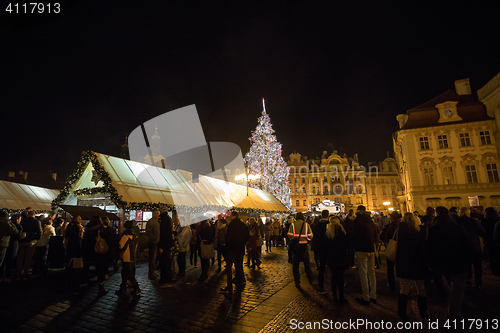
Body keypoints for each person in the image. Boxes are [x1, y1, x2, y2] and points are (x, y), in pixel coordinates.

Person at [426, 207, 474, 319]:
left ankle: (463, 310)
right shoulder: (458, 228)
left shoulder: (433, 230)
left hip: (443, 264)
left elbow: (430, 248)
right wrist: (468, 260)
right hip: (459, 263)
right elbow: (469, 245)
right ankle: (452, 314)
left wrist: (432, 264)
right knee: (457, 289)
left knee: (453, 289)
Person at [396, 213, 429, 321]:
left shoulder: (398, 232)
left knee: (404, 289)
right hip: (418, 263)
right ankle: (423, 311)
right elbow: (423, 251)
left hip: (404, 263)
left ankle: (401, 312)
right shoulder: (417, 233)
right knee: (421, 289)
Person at [352, 205, 378, 305]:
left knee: (363, 272)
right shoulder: (371, 221)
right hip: (371, 248)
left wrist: (354, 247)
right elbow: (376, 234)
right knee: (372, 272)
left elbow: (354, 235)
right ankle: (373, 295)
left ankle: (366, 296)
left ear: (358, 211)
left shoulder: (357, 221)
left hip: (361, 248)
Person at [221, 211, 250, 295]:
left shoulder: (231, 225)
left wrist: (228, 246)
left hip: (232, 249)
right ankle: (239, 284)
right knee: (239, 267)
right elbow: (247, 237)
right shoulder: (243, 225)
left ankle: (230, 287)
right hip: (240, 249)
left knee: (229, 269)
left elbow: (228, 237)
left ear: (233, 216)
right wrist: (242, 242)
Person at [457, 207, 486, 289]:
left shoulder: (456, 222)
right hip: (474, 246)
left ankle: (467, 280)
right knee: (477, 266)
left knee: (466, 265)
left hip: (462, 246)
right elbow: (482, 232)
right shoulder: (473, 221)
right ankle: (478, 283)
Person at [82, 216, 110, 296]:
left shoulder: (87, 228)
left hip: (87, 250)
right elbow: (106, 238)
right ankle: (101, 288)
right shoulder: (101, 229)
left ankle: (83, 286)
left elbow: (84, 239)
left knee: (85, 268)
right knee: (99, 268)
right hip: (97, 251)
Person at [287, 212, 314, 288]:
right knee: (307, 264)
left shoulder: (292, 225)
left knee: (295, 266)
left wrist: (294, 239)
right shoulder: (306, 225)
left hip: (296, 247)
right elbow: (310, 235)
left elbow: (289, 235)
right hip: (304, 246)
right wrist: (307, 240)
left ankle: (297, 282)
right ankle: (310, 279)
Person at [326, 216, 349, 302]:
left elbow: (326, 246)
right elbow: (346, 244)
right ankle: (341, 295)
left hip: (332, 257)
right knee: (341, 276)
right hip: (341, 257)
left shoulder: (329, 232)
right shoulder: (342, 231)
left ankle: (334, 294)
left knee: (333, 276)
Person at [116, 220, 141, 295]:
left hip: (126, 256)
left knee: (128, 273)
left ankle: (136, 288)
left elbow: (121, 246)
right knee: (126, 273)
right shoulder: (134, 235)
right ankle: (123, 287)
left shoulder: (125, 235)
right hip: (132, 256)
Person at [380, 211, 401, 291]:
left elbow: (381, 237)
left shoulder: (388, 227)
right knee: (400, 265)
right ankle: (403, 283)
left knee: (390, 267)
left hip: (390, 247)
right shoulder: (403, 226)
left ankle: (391, 283)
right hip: (401, 249)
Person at [17, 210, 42, 279]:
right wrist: (35, 237)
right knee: (28, 257)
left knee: (20, 257)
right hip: (31, 241)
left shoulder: (22, 221)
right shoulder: (37, 222)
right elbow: (39, 233)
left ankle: (19, 272)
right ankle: (26, 272)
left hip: (22, 241)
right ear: (34, 215)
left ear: (27, 214)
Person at [0, 214, 23, 283]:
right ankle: (6, 277)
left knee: (3, 261)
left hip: (4, 244)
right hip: (5, 244)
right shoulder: (8, 224)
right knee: (8, 260)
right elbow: (15, 232)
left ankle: (1, 276)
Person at [313, 210, 329, 294]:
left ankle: (321, 285)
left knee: (321, 267)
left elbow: (314, 237)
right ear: (328, 215)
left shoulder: (317, 225)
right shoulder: (330, 225)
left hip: (320, 248)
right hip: (329, 248)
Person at [64, 216, 84, 284]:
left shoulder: (69, 226)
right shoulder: (76, 227)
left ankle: (68, 276)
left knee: (69, 261)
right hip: (75, 247)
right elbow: (78, 239)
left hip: (70, 246)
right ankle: (74, 278)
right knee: (75, 262)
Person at [158, 212, 175, 287]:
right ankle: (165, 278)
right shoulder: (168, 219)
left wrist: (161, 246)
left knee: (165, 262)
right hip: (167, 244)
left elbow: (163, 234)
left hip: (165, 245)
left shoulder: (164, 221)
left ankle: (167, 279)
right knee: (165, 262)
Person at [482, 207, 500, 276]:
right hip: (497, 240)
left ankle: (494, 269)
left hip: (489, 240)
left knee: (492, 255)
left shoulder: (484, 221)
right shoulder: (497, 220)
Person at [146, 209, 160, 280]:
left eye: (158, 213)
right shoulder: (151, 222)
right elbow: (148, 232)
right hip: (152, 243)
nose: (157, 214)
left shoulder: (158, 222)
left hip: (157, 242)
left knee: (155, 259)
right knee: (152, 259)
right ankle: (151, 273)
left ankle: (153, 272)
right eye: (155, 213)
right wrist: (154, 238)